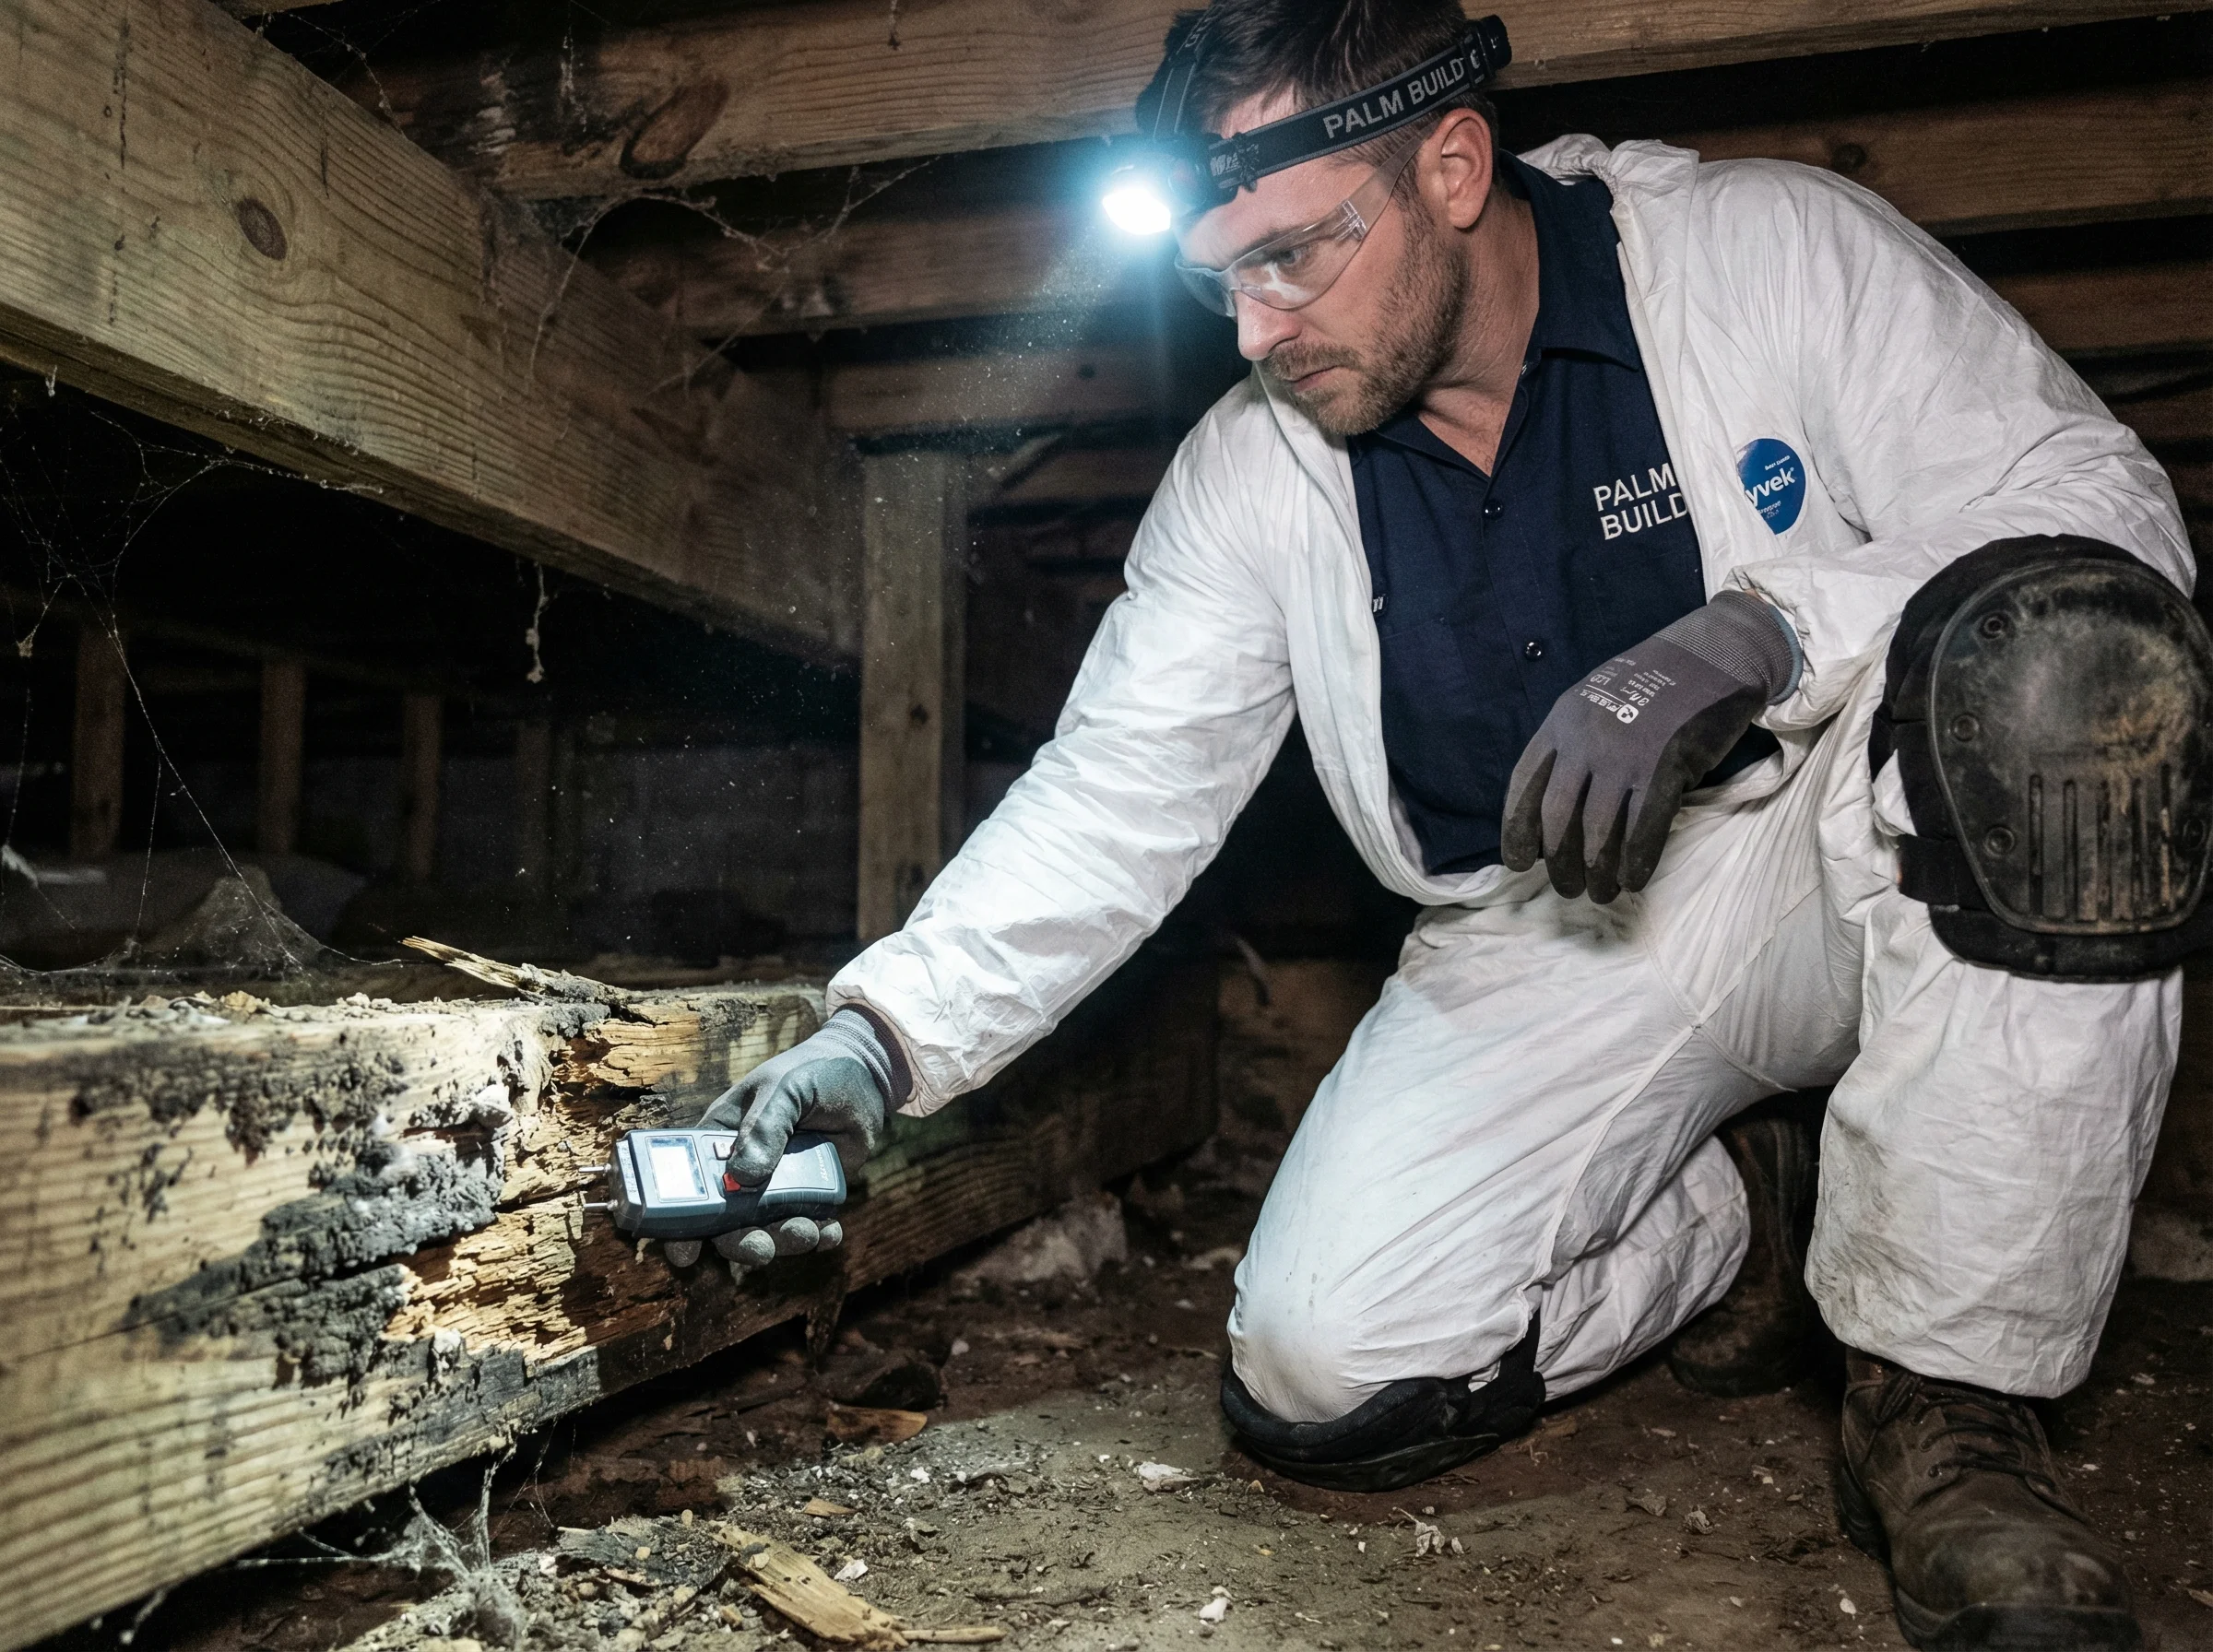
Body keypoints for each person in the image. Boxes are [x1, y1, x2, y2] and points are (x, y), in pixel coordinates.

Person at [686, 4, 2199, 1646]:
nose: (1255, 332)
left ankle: (1953, 1417)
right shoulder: (1251, 475)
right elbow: (1119, 786)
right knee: (1328, 1374)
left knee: (2064, 678)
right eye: (1219, 285)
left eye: (1292, 259)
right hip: (1559, 921)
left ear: (1454, 167)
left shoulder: (1767, 251)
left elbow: (2101, 518)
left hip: (1853, 825)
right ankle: (1739, 1219)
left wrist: (1763, 630)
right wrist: (884, 1040)